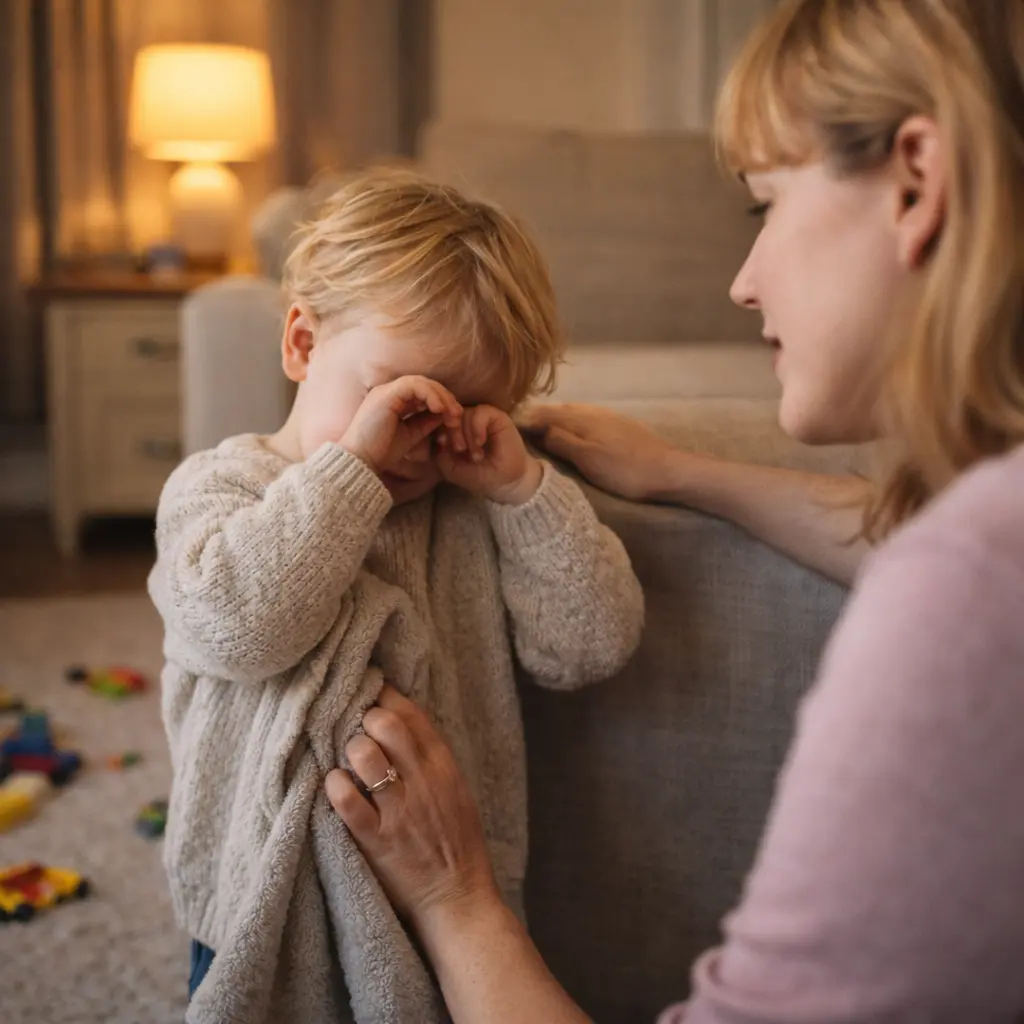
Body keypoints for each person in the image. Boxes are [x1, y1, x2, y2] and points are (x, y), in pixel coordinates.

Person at [324, 1, 1024, 1021]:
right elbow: (904, 532)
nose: (741, 284)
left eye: (764, 207)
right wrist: (682, 473)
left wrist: (453, 894)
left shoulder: (966, 586)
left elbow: (943, 561)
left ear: (916, 180)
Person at [147, 167, 643, 1024]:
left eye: (466, 410)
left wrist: (524, 489)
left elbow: (589, 646)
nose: (422, 442)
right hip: (264, 896)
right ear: (302, 344)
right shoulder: (222, 486)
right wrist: (349, 476)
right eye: (401, 397)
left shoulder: (472, 509)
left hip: (441, 881)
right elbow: (232, 627)